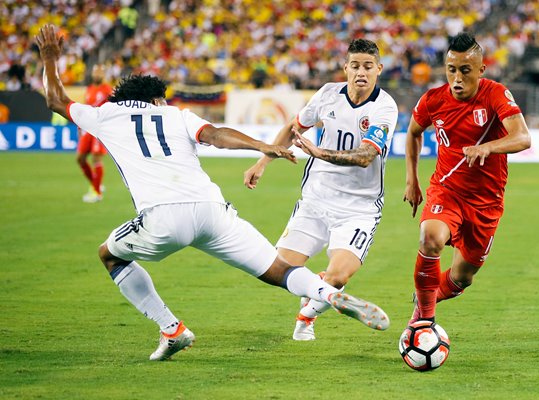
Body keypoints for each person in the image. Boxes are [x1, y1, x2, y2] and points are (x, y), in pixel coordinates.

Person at [36, 24, 389, 361]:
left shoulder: (105, 115)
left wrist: (51, 56)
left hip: (162, 217)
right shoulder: (177, 114)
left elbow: (55, 99)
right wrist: (263, 148)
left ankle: (170, 329)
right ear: (157, 99)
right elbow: (218, 135)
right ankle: (327, 294)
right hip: (214, 211)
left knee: (109, 255)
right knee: (278, 269)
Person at [244, 38, 398, 341]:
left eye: (368, 66)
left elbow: (366, 157)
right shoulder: (328, 94)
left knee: (338, 276)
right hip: (316, 199)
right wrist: (263, 161)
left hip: (359, 207)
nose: (361, 72)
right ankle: (319, 292)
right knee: (276, 270)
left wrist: (319, 153)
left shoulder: (384, 107)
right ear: (346, 68)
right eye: (355, 66)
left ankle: (308, 313)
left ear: (379, 70)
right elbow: (294, 127)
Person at [403, 32, 531, 326]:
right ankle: (423, 324)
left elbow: (522, 137)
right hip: (446, 191)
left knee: (462, 278)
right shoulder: (433, 100)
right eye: (451, 70)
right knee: (430, 238)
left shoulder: (495, 94)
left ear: (480, 70)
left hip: (486, 202)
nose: (457, 78)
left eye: (465, 70)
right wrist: (412, 180)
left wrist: (487, 147)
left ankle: (426, 296)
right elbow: (413, 133)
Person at [77, 63, 112, 202]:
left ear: (104, 75)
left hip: (100, 128)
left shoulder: (108, 90)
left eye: (100, 72)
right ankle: (96, 184)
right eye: (95, 71)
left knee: (96, 158)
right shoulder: (90, 89)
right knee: (80, 158)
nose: (97, 74)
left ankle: (97, 193)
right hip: (88, 128)